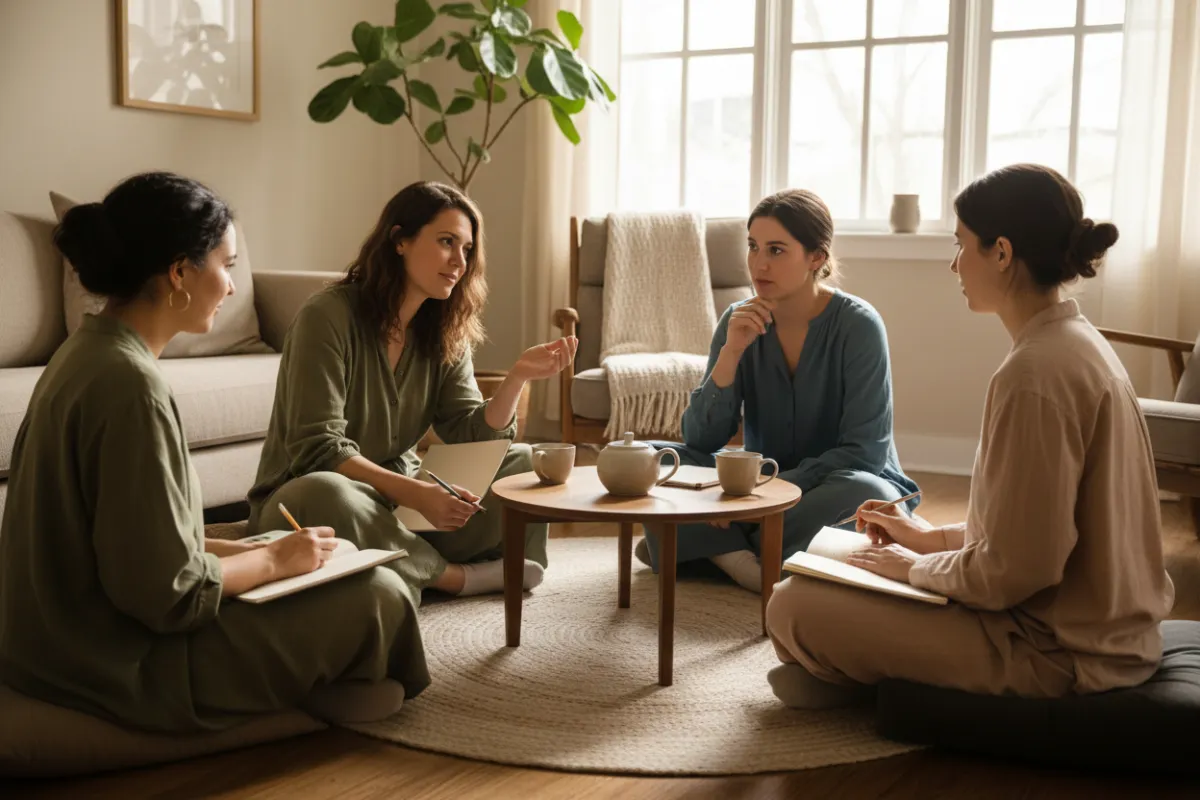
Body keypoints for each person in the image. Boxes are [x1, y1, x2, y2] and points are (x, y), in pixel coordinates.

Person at [0, 172, 429, 732]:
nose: (231, 287)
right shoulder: (131, 387)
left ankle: (311, 670)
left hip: (46, 635)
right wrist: (273, 563)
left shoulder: (86, 350)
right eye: (225, 265)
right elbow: (165, 595)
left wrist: (260, 548)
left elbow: (114, 534)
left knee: (290, 542)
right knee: (380, 594)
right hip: (109, 658)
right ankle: (307, 690)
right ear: (179, 272)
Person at [765, 164, 1176, 708]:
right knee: (842, 569)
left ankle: (851, 680)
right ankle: (850, 675)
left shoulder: (1034, 375)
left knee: (792, 606)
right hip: (1099, 633)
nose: (954, 264)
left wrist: (912, 569)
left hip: (1058, 651)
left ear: (1001, 253)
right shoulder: (1078, 345)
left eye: (961, 246)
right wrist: (926, 538)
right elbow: (1034, 527)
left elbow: (1017, 570)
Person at [247, 181, 577, 599]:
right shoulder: (326, 316)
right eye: (446, 242)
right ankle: (455, 578)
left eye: (467, 250)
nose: (459, 261)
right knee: (327, 490)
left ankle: (414, 563)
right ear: (400, 240)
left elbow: (468, 433)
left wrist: (517, 379)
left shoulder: (443, 329)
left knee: (522, 462)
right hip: (306, 502)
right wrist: (420, 494)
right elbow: (318, 448)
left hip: (397, 507)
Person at [642, 189, 918, 592]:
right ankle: (749, 562)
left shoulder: (859, 326)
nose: (759, 263)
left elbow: (865, 452)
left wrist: (759, 490)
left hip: (828, 486)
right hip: (756, 483)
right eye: (753, 247)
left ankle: (700, 545)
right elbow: (701, 439)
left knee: (869, 494)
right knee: (652, 460)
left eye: (776, 250)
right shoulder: (737, 320)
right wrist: (730, 353)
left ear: (816, 258)